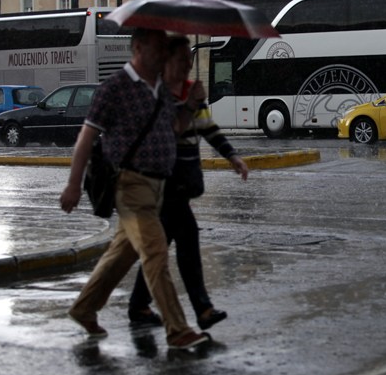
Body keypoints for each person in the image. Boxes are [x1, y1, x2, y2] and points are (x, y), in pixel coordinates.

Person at [60, 27, 209, 350]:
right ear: (139, 49)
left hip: (157, 186)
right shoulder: (114, 88)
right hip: (130, 185)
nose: (164, 56)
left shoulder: (158, 88)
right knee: (155, 251)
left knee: (120, 255)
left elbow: (174, 128)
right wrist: (72, 185)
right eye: (159, 49)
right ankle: (178, 328)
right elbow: (86, 137)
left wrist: (191, 106)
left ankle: (84, 309)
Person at [128, 36, 249, 331]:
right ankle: (202, 309)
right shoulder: (154, 93)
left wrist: (232, 156)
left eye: (189, 61)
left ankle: (139, 305)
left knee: (162, 248)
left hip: (183, 181)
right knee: (187, 244)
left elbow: (207, 128)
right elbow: (168, 132)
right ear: (167, 61)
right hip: (162, 184)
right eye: (182, 60)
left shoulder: (190, 91)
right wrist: (190, 104)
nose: (187, 66)